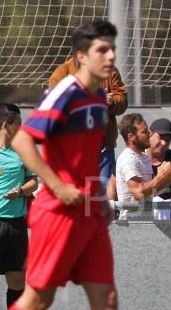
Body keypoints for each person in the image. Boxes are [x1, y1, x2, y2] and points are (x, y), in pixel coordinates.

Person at [0, 19, 171, 310]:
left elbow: (87, 160)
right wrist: (55, 185)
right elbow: (25, 141)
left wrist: (99, 203)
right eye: (101, 50)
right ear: (80, 57)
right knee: (36, 298)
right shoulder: (67, 93)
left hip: (90, 212)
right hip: (57, 211)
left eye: (112, 49)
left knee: (105, 297)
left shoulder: (97, 102)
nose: (110, 57)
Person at [48, 49, 127, 200]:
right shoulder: (61, 74)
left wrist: (113, 102)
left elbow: (122, 100)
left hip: (103, 150)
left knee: (101, 198)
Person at [0, 104, 38, 310]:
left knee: (18, 281)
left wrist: (20, 191)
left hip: (16, 225)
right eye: (18, 122)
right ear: (7, 124)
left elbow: (34, 181)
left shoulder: (22, 150)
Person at [115, 113, 171, 220]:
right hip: (132, 226)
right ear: (131, 137)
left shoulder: (144, 157)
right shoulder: (128, 158)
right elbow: (139, 193)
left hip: (146, 223)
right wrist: (162, 176)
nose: (149, 134)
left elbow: (152, 191)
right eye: (144, 131)